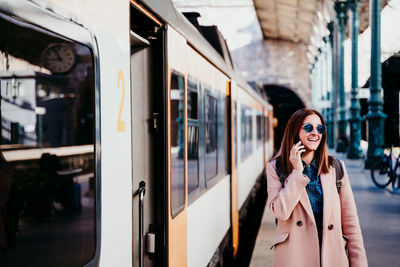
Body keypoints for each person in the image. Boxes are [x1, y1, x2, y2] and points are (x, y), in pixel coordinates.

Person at [267, 108, 367, 267]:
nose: (315, 132)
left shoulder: (335, 167)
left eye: (320, 128)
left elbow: (351, 225)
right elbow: (280, 212)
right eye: (308, 128)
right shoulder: (276, 168)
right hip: (294, 259)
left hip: (332, 258)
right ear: (295, 131)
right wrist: (297, 173)